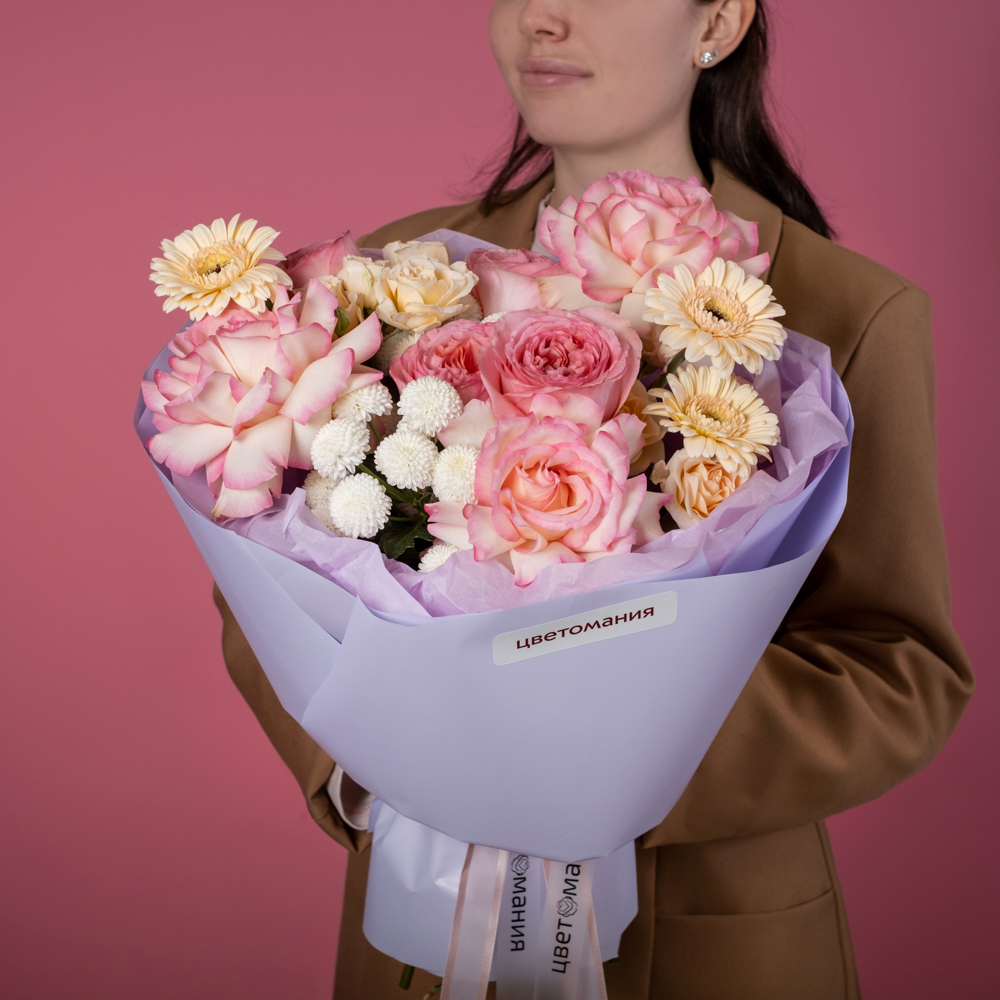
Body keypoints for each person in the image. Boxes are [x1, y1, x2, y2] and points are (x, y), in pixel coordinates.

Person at [213, 1, 974, 997]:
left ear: (719, 18)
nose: (542, 16)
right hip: (422, 906)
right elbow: (265, 582)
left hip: (711, 938)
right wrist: (374, 770)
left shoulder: (850, 312)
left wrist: (598, 759)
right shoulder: (392, 283)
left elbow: (895, 666)